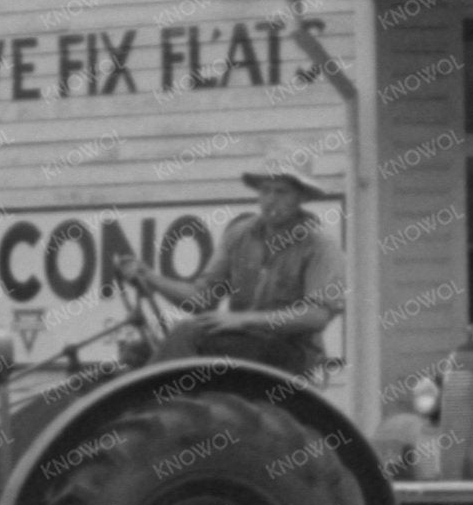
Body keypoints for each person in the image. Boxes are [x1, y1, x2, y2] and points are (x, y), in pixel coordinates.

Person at [134, 152, 346, 381]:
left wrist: (243, 319)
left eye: (281, 192)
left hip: (291, 352)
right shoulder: (239, 235)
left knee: (190, 333)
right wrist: (151, 278)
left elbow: (317, 315)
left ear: (301, 197)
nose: (271, 199)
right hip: (243, 342)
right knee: (139, 349)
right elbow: (201, 299)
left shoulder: (320, 246)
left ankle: (150, 401)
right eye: (265, 190)